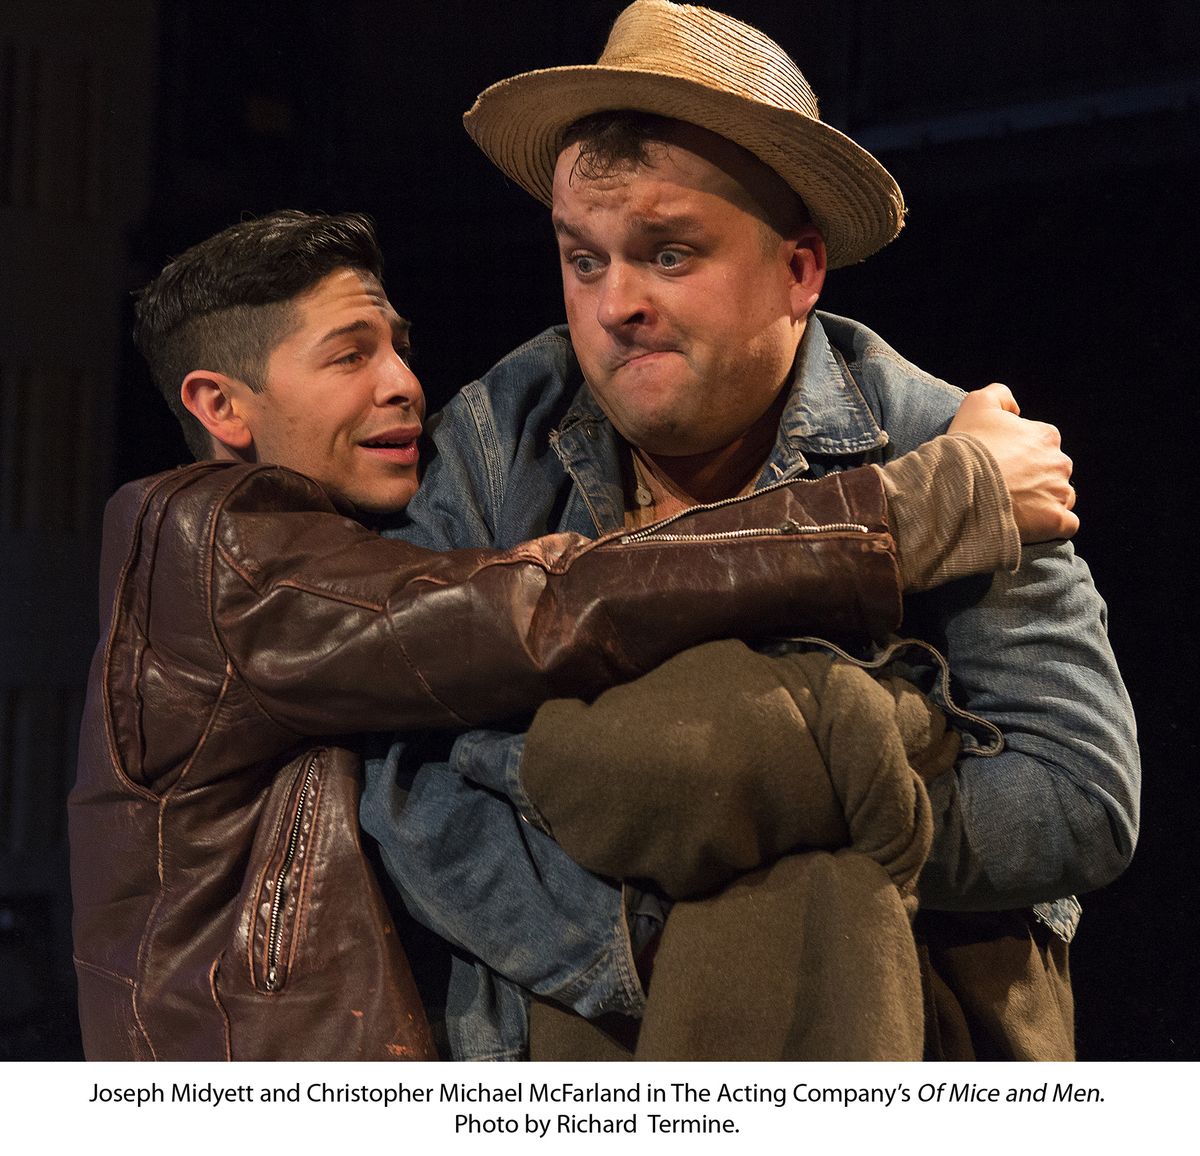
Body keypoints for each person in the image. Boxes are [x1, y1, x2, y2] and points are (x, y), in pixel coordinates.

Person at [69, 210, 1052, 1061]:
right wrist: (922, 505)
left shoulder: (316, 557)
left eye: (398, 345)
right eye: (350, 353)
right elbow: (543, 613)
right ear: (218, 405)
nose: (405, 382)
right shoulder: (211, 544)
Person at [363, 0, 1137, 1060]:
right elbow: (403, 762)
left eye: (669, 254)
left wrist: (767, 795)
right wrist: (645, 930)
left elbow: (1081, 796)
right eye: (583, 260)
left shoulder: (945, 442)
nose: (614, 302)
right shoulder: (499, 440)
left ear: (800, 270)